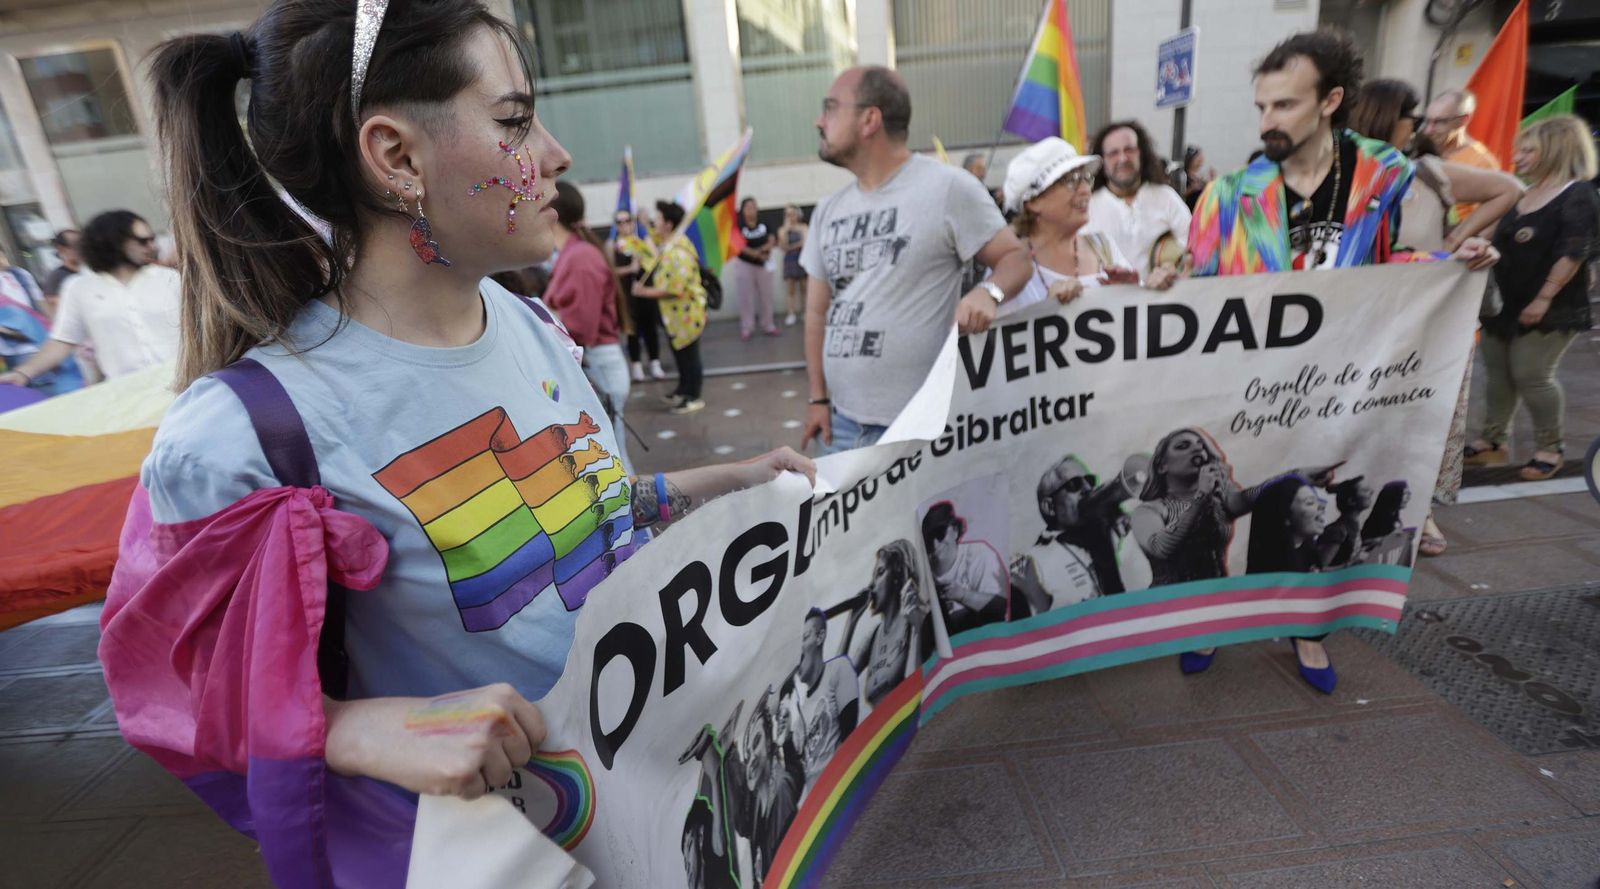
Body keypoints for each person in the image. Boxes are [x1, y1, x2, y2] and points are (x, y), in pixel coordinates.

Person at [99, 5, 816, 885]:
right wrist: (351, 728)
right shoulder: (244, 432)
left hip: (655, 822)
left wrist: (726, 482)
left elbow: (583, 513)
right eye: (515, 120)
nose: (557, 153)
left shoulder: (527, 319)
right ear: (396, 156)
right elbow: (170, 690)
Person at [799, 66, 1031, 454]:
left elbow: (1016, 258)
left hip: (918, 430)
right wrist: (817, 399)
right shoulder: (828, 209)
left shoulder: (947, 188)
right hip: (840, 427)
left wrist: (988, 293)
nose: (818, 121)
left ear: (870, 119)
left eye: (831, 108)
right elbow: (815, 315)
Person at [1347, 78, 1524, 555]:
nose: (1423, 126)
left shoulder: (1424, 173)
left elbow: (1508, 189)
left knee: (1423, 416)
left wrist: (1458, 239)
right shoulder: (1341, 178)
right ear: (1387, 119)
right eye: (1415, 117)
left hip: (1427, 324)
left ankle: (1418, 510)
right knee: (1367, 421)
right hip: (1364, 325)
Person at [1188, 30, 1498, 276]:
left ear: (1330, 101)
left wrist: (1450, 261)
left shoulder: (1381, 173)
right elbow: (1198, 290)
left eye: (1284, 105)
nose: (1265, 125)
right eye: (1262, 108)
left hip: (1345, 351)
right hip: (1262, 351)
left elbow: (1382, 259)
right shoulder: (1226, 196)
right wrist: (1169, 280)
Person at [1129, 427, 1340, 690]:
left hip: (1218, 595)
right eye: (1183, 446)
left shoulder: (1216, 498)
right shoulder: (1148, 511)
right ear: (1161, 465)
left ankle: (1305, 631)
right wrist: (1199, 497)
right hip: (1176, 603)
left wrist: (1294, 476)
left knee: (1284, 497)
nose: (1197, 449)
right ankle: (1208, 630)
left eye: (1200, 445)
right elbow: (1160, 547)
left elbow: (1249, 498)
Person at [1467, 115, 1600, 481]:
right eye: (1518, 150)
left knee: (1532, 374)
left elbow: (1572, 253)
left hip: (1551, 305)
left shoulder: (1578, 195)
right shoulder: (1525, 191)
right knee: (1498, 373)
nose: (1518, 157)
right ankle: (1493, 442)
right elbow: (1496, 234)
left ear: (1555, 150)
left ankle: (1550, 447)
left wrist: (1544, 298)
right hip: (1503, 301)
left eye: (1528, 150)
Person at [0, 210, 181, 387]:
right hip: (127, 393)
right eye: (143, 241)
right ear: (114, 242)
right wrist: (23, 373)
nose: (152, 246)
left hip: (183, 386)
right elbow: (63, 340)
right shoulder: (79, 288)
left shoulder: (172, 279)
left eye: (152, 239)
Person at [1002, 137, 1163, 318]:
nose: (1085, 189)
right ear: (1033, 201)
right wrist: (1046, 312)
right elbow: (998, 339)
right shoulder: (1005, 266)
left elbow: (1138, 325)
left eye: (1086, 178)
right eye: (1071, 181)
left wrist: (1134, 292)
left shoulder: (1103, 246)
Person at [543, 179, 634, 471]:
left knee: (612, 455)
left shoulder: (580, 257)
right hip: (599, 363)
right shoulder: (577, 253)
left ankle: (630, 513)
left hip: (599, 365)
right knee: (610, 452)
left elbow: (581, 328)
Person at [1010, 454, 1133, 613]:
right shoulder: (1032, 560)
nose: (1088, 489)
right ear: (1050, 507)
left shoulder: (1103, 536)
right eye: (1074, 484)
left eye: (1089, 481)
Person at [1085, 120, 1190, 281]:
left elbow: (1193, 252)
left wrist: (1173, 269)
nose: (1122, 159)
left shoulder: (1166, 197)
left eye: (1129, 150)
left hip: (1161, 302)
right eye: (1113, 153)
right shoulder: (1088, 207)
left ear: (1141, 153)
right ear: (1102, 161)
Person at [631, 200, 710, 414]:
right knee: (680, 353)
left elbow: (675, 287)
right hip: (674, 316)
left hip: (686, 314)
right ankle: (683, 389)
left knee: (689, 355)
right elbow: (652, 253)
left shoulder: (678, 250)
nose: (654, 222)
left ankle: (693, 396)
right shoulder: (667, 244)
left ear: (668, 224)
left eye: (657, 219)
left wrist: (644, 292)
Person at [838, 539, 931, 707]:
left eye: (880, 573)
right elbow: (836, 690)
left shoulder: (915, 618)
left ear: (897, 573)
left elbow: (914, 694)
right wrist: (851, 624)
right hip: (883, 732)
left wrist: (917, 629)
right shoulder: (873, 637)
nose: (872, 585)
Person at [775, 608, 860, 791]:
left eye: (804, 638)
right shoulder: (800, 716)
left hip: (844, 787)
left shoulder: (839, 669)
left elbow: (851, 736)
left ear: (820, 638)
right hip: (819, 807)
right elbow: (797, 776)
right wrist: (786, 737)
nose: (799, 650)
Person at [921, 500, 1010, 636]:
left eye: (939, 533)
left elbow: (1000, 607)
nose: (934, 544)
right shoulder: (921, 576)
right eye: (928, 538)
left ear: (955, 531)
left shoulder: (978, 555)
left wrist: (963, 595)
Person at [1420, 89, 1503, 224]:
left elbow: (1489, 220)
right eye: (1427, 121)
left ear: (1464, 120)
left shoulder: (1482, 163)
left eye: (1439, 122)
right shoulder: (1421, 147)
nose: (1428, 130)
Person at [608, 208, 666, 382]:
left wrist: (642, 255)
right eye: (620, 222)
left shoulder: (642, 240)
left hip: (645, 290)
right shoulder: (612, 244)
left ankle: (655, 363)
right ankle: (636, 366)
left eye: (627, 221)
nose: (624, 225)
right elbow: (610, 271)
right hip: (626, 294)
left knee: (650, 328)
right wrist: (628, 269)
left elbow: (655, 260)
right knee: (631, 330)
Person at [1246, 474, 1329, 575]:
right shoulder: (1273, 570)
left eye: (1317, 501)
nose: (1321, 508)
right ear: (1285, 515)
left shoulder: (1306, 551)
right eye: (1310, 502)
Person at [734, 197, 778, 339]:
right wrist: (755, 254)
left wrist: (764, 250)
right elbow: (739, 245)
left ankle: (768, 324)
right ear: (742, 210)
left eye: (753, 206)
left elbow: (772, 239)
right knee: (746, 296)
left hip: (764, 263)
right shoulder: (738, 225)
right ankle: (747, 327)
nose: (751, 209)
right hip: (745, 264)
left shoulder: (764, 222)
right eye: (748, 207)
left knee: (766, 295)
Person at [1315, 475, 1373, 568]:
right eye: (1365, 490)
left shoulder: (1352, 525)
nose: (1371, 492)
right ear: (1351, 501)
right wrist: (1351, 564)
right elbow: (1319, 570)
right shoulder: (1337, 531)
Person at [777, 205, 808, 327]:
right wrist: (787, 229)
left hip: (802, 258)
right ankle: (791, 313)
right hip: (790, 259)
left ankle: (805, 312)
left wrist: (792, 246)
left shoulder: (803, 227)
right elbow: (783, 246)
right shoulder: (783, 229)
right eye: (787, 214)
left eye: (792, 214)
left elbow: (805, 242)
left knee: (804, 288)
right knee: (790, 289)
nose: (790, 217)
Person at [40, 229, 82, 316]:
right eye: (75, 245)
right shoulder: (56, 276)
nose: (81, 249)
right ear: (61, 249)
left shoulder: (93, 270)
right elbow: (53, 304)